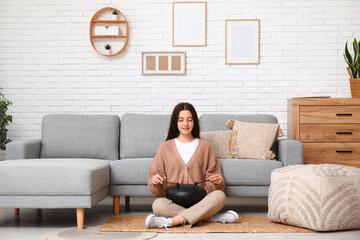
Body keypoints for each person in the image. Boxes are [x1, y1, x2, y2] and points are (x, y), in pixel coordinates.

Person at [145, 102, 239, 229]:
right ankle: (207, 217)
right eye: (181, 120)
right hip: (173, 201)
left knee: (220, 196)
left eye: (189, 120)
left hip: (201, 200)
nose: (185, 124)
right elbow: (156, 186)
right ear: (175, 122)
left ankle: (171, 222)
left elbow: (215, 184)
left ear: (194, 122)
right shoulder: (165, 147)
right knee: (158, 205)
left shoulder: (205, 147)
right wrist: (156, 181)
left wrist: (217, 182)